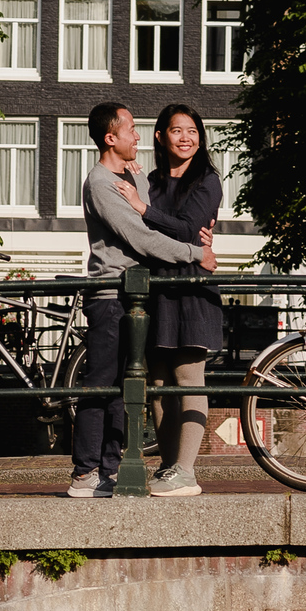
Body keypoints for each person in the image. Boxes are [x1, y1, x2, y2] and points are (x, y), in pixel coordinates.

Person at [68, 103, 217, 499]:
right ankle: (87, 473)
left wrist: (148, 202)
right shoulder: (104, 182)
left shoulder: (141, 179)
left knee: (128, 384)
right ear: (110, 137)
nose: (137, 134)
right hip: (118, 293)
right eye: (132, 128)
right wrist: (195, 252)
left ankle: (121, 470)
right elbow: (143, 236)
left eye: (193, 131)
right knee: (108, 383)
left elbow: (172, 224)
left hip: (147, 292)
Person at [114, 106, 222, 497]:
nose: (185, 138)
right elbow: (145, 233)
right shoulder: (150, 181)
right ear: (160, 136)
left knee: (189, 377)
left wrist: (143, 209)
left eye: (192, 130)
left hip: (191, 287)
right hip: (156, 288)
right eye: (176, 130)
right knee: (157, 381)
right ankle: (167, 465)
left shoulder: (208, 181)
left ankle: (187, 471)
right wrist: (143, 200)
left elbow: (187, 228)